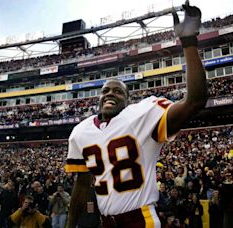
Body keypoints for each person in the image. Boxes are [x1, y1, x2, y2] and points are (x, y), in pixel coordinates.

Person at [65, 3, 207, 227]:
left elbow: (195, 101)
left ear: (128, 99)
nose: (110, 94)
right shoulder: (80, 132)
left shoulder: (144, 112)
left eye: (118, 91)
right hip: (106, 222)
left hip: (140, 220)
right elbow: (82, 184)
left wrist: (189, 42)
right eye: (105, 91)